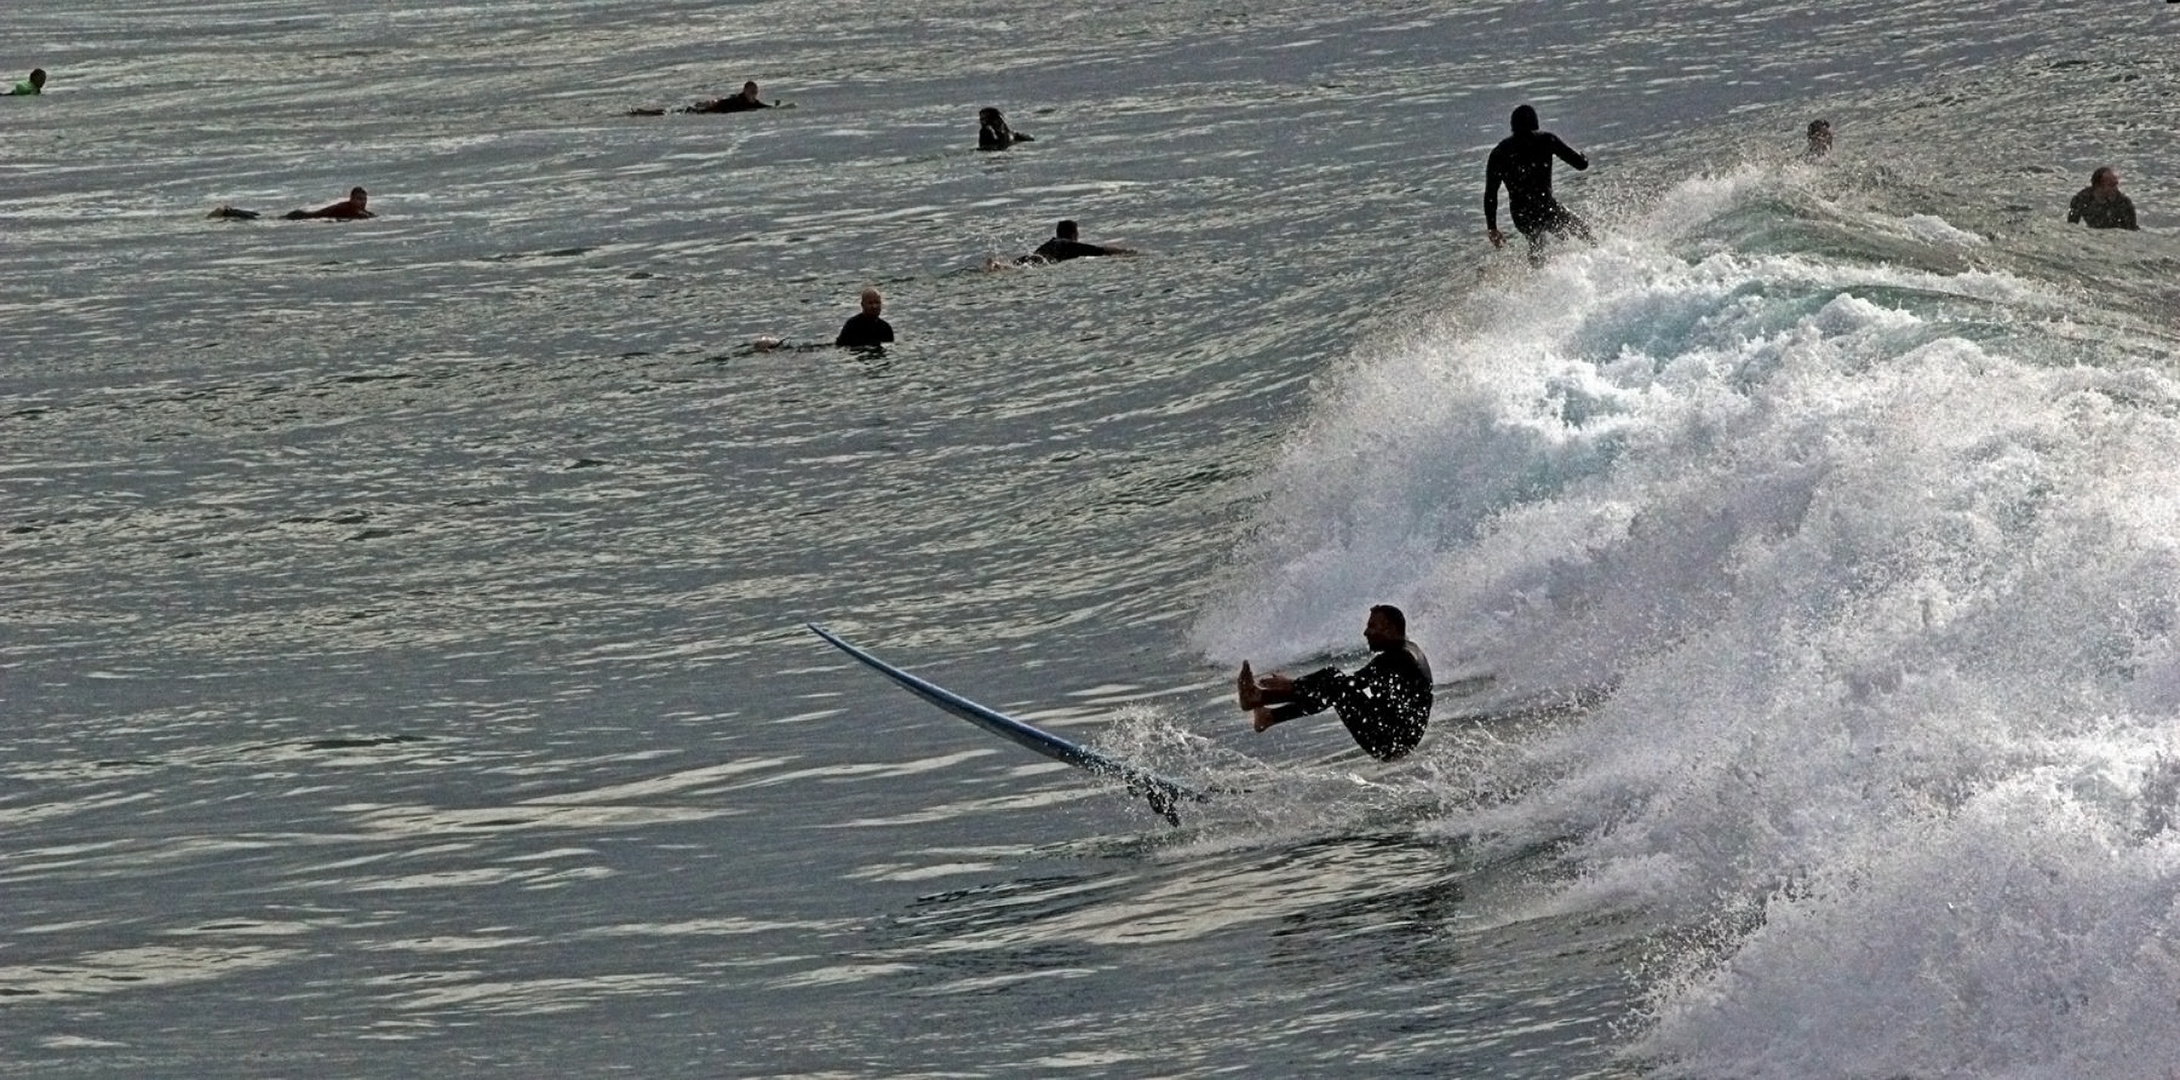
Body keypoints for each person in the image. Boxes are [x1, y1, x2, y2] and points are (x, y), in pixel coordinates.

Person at [1236, 605, 1434, 762]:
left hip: (1390, 742)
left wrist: (1294, 685)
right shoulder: (1403, 651)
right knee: (1335, 681)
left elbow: (1349, 685)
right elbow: (1354, 686)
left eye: (1372, 626)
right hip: (1392, 731)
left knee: (1336, 684)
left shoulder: (1399, 659)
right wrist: (1296, 686)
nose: (1366, 632)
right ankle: (1268, 715)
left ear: (1391, 628)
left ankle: (1259, 698)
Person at [1484, 104, 1594, 262]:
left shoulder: (1499, 152)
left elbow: (1490, 194)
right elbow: (1580, 165)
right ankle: (1587, 261)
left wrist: (1492, 228)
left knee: (1536, 244)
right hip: (1546, 207)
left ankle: (1536, 275)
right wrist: (1585, 158)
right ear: (1535, 123)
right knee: (1583, 232)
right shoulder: (1546, 140)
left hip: (1521, 215)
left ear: (1512, 126)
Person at [1023, 220, 1133, 264]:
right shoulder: (1069, 245)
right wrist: (1127, 252)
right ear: (1074, 235)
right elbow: (1100, 250)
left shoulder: (1048, 245)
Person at [2067, 166, 2139, 231]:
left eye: (2116, 184)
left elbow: (2131, 230)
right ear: (2098, 186)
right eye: (2111, 185)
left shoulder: (2124, 203)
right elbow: (2071, 227)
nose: (2115, 189)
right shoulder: (2081, 199)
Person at [282, 187, 374, 220]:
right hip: (301, 216)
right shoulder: (345, 208)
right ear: (351, 199)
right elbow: (357, 215)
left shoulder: (360, 211)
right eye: (359, 199)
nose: (362, 202)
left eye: (364, 199)